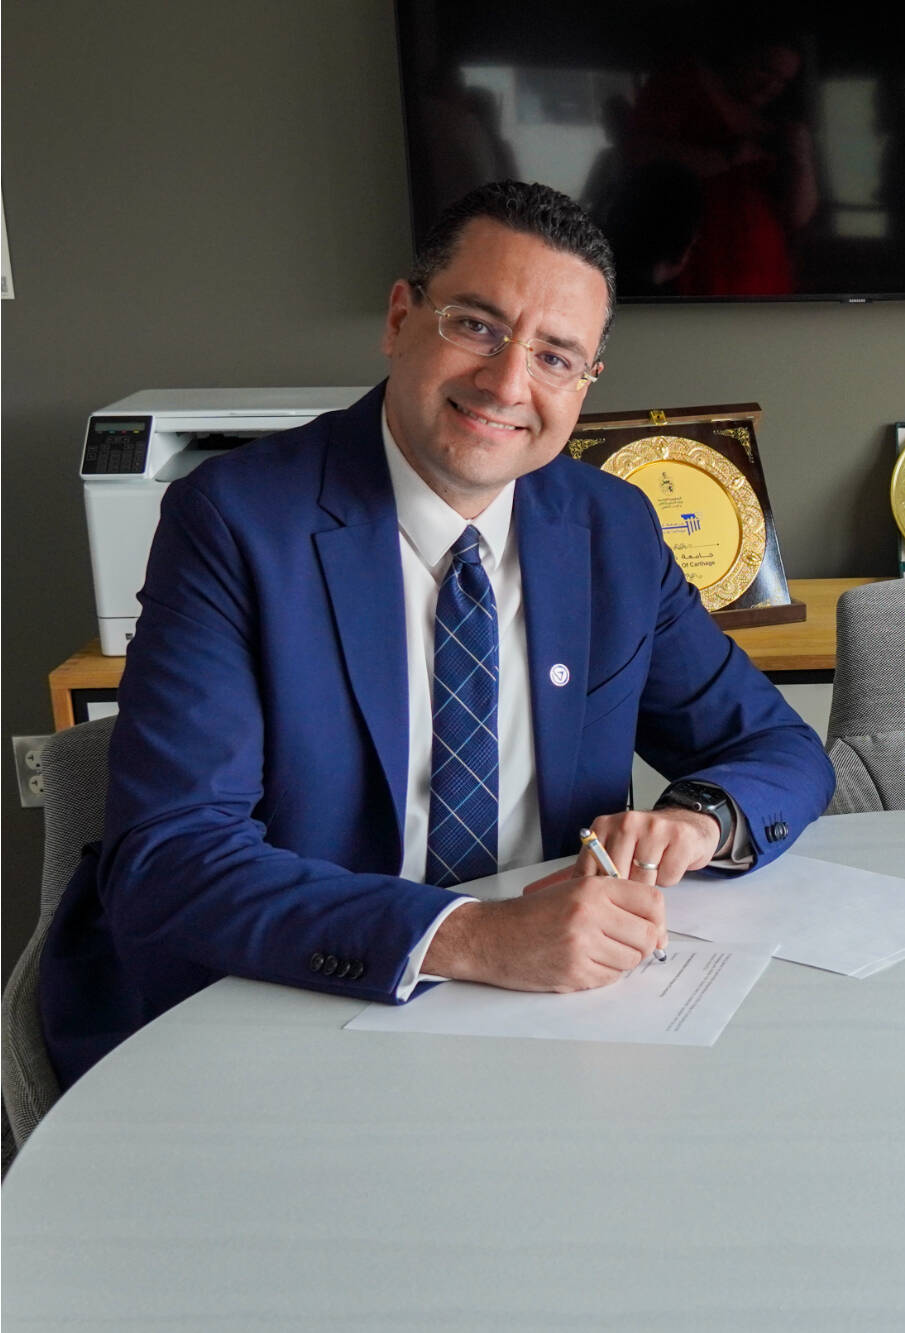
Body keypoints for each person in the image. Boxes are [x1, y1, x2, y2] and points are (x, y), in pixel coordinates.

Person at [39, 182, 836, 1085]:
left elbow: (779, 750)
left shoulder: (610, 528)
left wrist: (703, 820)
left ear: (584, 384)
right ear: (399, 317)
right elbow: (173, 860)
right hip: (288, 1009)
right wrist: (472, 935)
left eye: (556, 356)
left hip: (548, 1022)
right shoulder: (234, 522)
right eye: (477, 326)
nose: (507, 383)